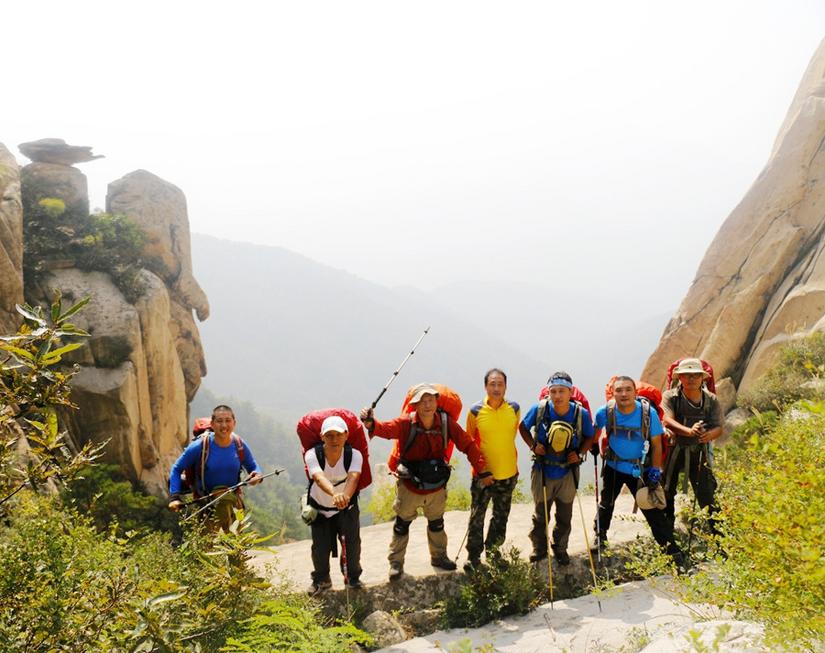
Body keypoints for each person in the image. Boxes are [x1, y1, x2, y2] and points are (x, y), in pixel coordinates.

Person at [361, 384, 493, 581]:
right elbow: (385, 430)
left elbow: (467, 444)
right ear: (415, 405)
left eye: (431, 400)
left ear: (437, 402)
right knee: (402, 524)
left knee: (436, 523)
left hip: (435, 486)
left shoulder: (446, 423)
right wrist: (371, 423)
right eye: (423, 401)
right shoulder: (406, 423)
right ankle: (396, 563)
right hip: (410, 485)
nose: (428, 405)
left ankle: (439, 557)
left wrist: (482, 470)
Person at [592, 377, 682, 561]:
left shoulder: (648, 414)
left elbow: (656, 444)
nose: (623, 394)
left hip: (640, 469)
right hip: (614, 467)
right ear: (613, 393)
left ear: (635, 392)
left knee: (652, 511)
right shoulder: (605, 412)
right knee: (606, 503)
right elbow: (595, 433)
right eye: (619, 390)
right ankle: (600, 537)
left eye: (628, 390)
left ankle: (672, 552)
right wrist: (593, 445)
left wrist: (655, 470)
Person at [519, 372, 594, 565]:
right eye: (553, 391)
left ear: (570, 392)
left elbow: (590, 436)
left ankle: (560, 548)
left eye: (562, 391)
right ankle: (539, 548)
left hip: (568, 471)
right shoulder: (540, 409)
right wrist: (533, 446)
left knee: (564, 514)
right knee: (540, 514)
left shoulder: (580, 414)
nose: (558, 396)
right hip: (543, 468)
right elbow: (523, 427)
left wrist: (579, 454)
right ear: (548, 392)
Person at [168, 405, 262, 531]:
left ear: (234, 423)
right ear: (212, 424)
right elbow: (176, 469)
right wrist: (174, 497)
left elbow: (252, 466)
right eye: (219, 421)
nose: (224, 425)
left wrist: (257, 475)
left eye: (228, 421)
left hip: (235, 504)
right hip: (207, 506)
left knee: (236, 538)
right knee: (212, 542)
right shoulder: (200, 446)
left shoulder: (239, 444)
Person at [463, 369, 520, 571]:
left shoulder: (514, 409)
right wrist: (481, 470)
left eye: (500, 384)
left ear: (506, 386)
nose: (496, 388)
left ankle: (494, 552)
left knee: (501, 516)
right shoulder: (475, 411)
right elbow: (469, 444)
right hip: (483, 476)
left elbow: (511, 435)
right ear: (485, 386)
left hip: (508, 473)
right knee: (477, 516)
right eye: (492, 384)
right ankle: (473, 557)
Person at [661, 358, 722, 534]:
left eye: (695, 375)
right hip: (674, 450)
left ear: (702, 378)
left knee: (707, 495)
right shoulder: (670, 397)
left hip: (699, 452)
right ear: (680, 377)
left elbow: (719, 427)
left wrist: (709, 435)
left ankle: (720, 538)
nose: (691, 379)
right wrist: (689, 431)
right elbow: (667, 419)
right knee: (667, 491)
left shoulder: (711, 400)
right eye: (687, 375)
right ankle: (667, 535)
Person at [304, 415, 363, 593]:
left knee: (352, 544)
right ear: (322, 437)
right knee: (320, 546)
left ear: (346, 435)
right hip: (320, 508)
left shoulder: (354, 455)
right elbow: (318, 477)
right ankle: (321, 579)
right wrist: (335, 494)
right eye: (329, 436)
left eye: (338, 435)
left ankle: (353, 577)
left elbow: (353, 478)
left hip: (347, 507)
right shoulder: (313, 455)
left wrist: (345, 497)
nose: (334, 440)